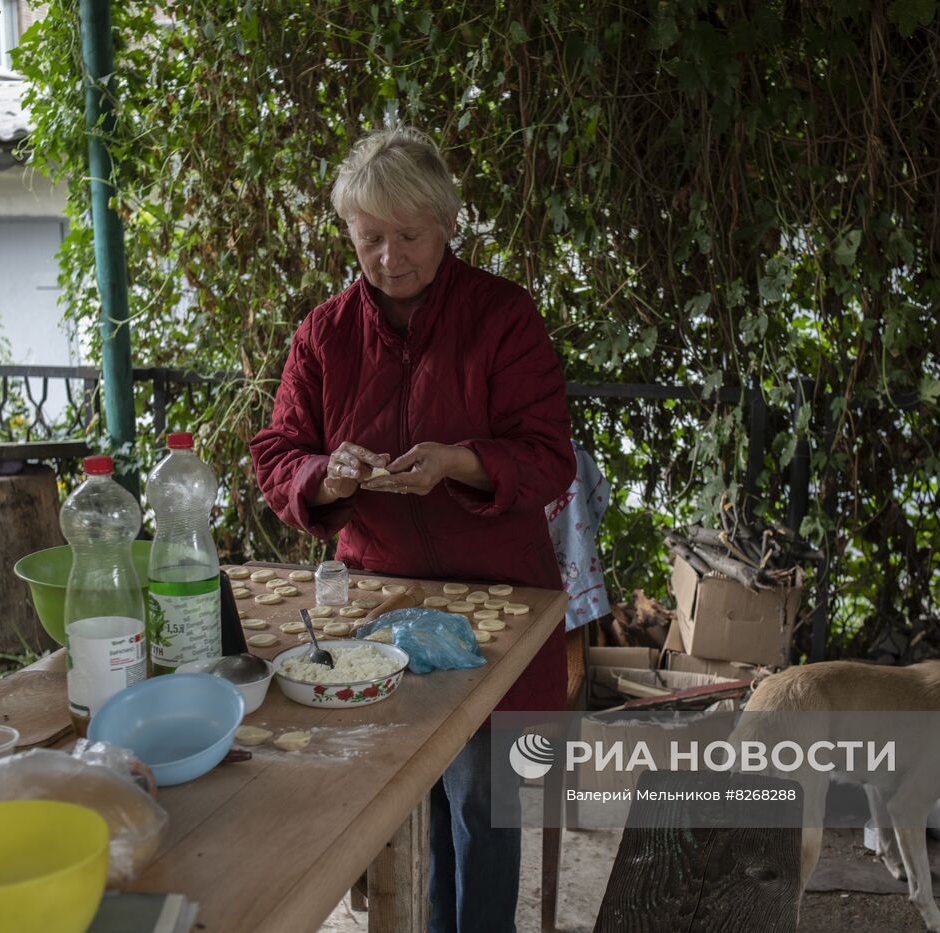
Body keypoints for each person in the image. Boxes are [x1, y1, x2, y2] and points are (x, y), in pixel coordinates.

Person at [250, 125, 575, 932]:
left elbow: (549, 458)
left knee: (482, 810)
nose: (390, 257)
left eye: (408, 236)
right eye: (370, 239)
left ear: (447, 223)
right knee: (404, 809)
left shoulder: (502, 317)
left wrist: (459, 461)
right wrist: (325, 473)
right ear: (348, 236)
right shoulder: (324, 334)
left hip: (500, 605)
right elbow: (276, 452)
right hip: (378, 609)